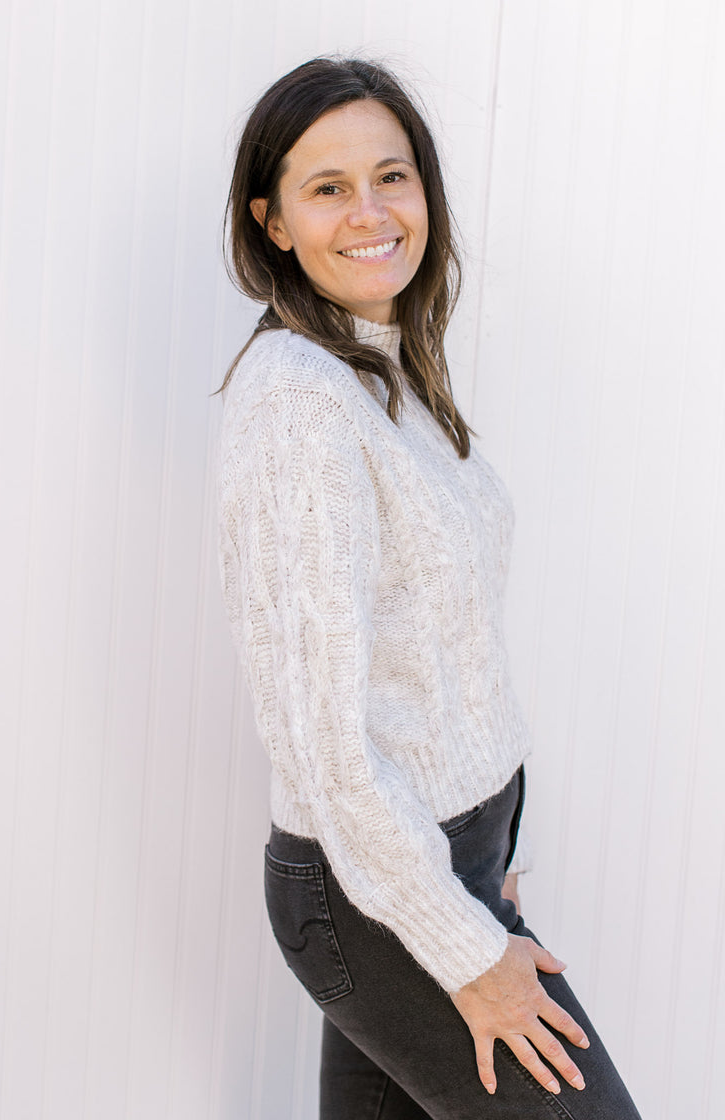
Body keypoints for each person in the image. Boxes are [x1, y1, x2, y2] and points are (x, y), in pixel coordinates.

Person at [217, 56, 641, 1120]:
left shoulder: (382, 371)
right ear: (271, 221)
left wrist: (493, 854)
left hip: (440, 858)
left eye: (390, 175)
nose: (369, 211)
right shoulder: (301, 407)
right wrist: (463, 943)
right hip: (377, 894)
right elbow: (322, 742)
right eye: (326, 188)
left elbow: (448, 646)